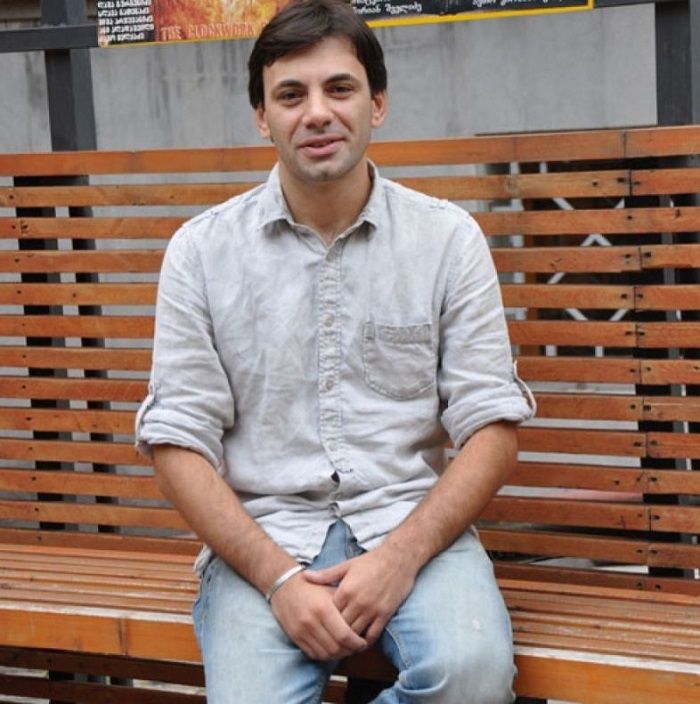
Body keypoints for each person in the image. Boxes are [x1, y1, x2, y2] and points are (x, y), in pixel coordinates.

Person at [136, 0, 534, 701]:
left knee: (469, 677)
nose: (317, 113)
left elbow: (493, 429)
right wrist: (278, 580)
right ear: (262, 118)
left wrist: (400, 558)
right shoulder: (201, 253)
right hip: (264, 540)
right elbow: (177, 442)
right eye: (291, 95)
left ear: (377, 103)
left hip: (412, 527)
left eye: (339, 88)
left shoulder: (447, 241)